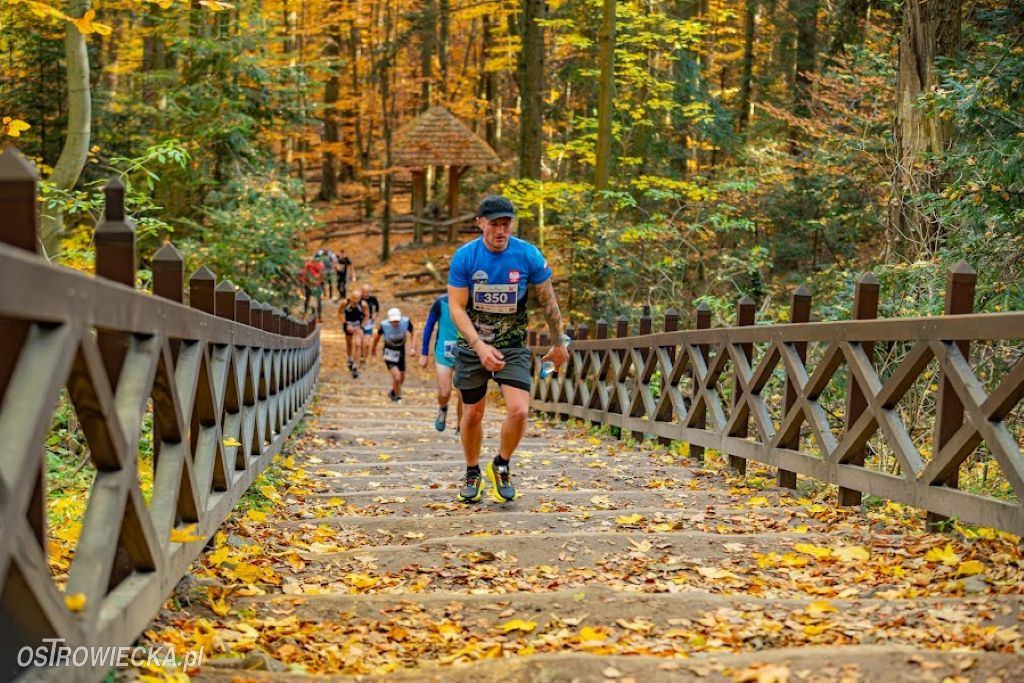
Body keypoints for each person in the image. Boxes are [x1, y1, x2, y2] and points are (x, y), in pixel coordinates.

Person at [447, 195, 568, 504]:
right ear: (480, 224)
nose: (501, 231)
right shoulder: (465, 258)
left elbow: (548, 300)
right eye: (494, 224)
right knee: (473, 413)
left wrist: (558, 342)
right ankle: (472, 470)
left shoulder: (527, 255)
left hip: (512, 345)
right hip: (472, 346)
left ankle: (501, 464)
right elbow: (457, 309)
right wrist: (478, 344)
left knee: (520, 410)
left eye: (506, 224)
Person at [419, 294, 463, 433]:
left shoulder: (472, 300)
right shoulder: (441, 302)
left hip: (465, 352)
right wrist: (424, 353)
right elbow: (429, 326)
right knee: (444, 393)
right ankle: (443, 408)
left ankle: (461, 426)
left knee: (463, 394)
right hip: (443, 351)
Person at [372, 307, 415, 402]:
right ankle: (397, 397)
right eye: (393, 321)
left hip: (401, 352)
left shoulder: (406, 322)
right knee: (397, 376)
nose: (395, 323)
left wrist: (413, 347)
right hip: (389, 353)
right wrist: (373, 349)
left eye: (397, 321)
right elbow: (377, 337)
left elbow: (413, 332)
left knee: (401, 378)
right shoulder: (384, 325)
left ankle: (393, 392)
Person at [339, 293, 368, 378]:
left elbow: (367, 316)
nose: (355, 300)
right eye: (354, 298)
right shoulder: (345, 303)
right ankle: (350, 359)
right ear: (350, 297)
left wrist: (362, 326)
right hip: (348, 325)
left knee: (358, 344)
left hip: (358, 326)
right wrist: (345, 324)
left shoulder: (363, 305)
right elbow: (340, 313)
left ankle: (355, 365)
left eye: (358, 298)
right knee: (349, 343)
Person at [359, 283, 380, 366]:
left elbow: (377, 309)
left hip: (369, 324)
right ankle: (361, 355)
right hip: (359, 324)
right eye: (364, 292)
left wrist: (375, 315)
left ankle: (364, 359)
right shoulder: (358, 299)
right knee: (360, 342)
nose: (366, 294)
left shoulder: (373, 299)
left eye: (368, 292)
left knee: (366, 343)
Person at [300, 255, 324, 321]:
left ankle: (319, 316)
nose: (317, 262)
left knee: (319, 300)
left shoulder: (321, 265)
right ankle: (305, 314)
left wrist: (318, 282)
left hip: (317, 284)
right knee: (308, 300)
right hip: (309, 285)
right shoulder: (308, 265)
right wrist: (307, 283)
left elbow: (322, 275)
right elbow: (305, 276)